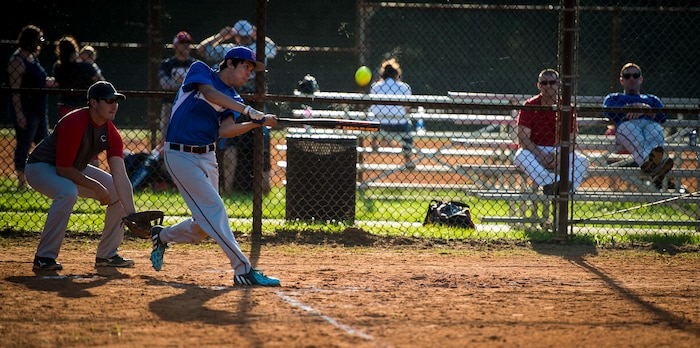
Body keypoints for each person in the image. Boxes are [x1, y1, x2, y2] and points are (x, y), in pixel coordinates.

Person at [149, 46, 280, 286]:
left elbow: (225, 130)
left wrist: (254, 123)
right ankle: (243, 268)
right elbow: (209, 94)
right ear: (230, 63)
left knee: (202, 226)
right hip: (179, 154)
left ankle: (162, 235)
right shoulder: (201, 71)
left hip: (208, 156)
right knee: (215, 209)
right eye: (246, 67)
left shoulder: (235, 99)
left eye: (252, 70)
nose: (249, 74)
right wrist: (250, 111)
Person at [24, 81, 136, 270]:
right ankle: (44, 257)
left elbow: (120, 175)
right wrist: (96, 187)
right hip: (40, 167)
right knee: (67, 191)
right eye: (109, 100)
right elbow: (63, 169)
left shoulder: (111, 133)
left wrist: (133, 215)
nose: (114, 105)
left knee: (116, 191)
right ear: (93, 102)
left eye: (116, 101)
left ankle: (107, 255)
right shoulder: (75, 121)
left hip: (73, 168)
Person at [197, 20, 278, 194]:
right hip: (233, 99)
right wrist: (223, 36)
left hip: (253, 101)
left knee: (258, 142)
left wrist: (222, 36)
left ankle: (260, 188)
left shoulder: (245, 49)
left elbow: (203, 49)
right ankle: (230, 189)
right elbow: (201, 51)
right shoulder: (233, 51)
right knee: (232, 144)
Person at [513, 69, 589, 195]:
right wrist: (541, 155)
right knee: (520, 156)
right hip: (535, 150)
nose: (548, 86)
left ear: (558, 84)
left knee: (582, 161)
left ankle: (564, 191)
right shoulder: (530, 105)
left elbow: (571, 139)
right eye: (544, 83)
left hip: (559, 149)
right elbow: (523, 139)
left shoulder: (566, 107)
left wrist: (559, 155)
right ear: (539, 86)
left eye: (552, 82)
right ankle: (555, 184)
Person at [603, 62, 672, 189]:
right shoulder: (615, 98)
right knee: (636, 138)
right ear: (621, 80)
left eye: (635, 75)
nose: (631, 79)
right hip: (627, 125)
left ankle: (651, 168)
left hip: (650, 124)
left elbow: (663, 117)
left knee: (656, 131)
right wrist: (629, 107)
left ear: (641, 79)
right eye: (627, 76)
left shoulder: (651, 99)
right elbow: (607, 112)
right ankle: (657, 168)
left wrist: (648, 110)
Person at [7, 24, 56, 190]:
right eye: (38, 39)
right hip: (27, 110)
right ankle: (22, 181)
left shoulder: (32, 58)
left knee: (45, 143)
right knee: (24, 144)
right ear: (30, 40)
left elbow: (37, 80)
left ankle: (44, 179)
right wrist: (19, 113)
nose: (40, 43)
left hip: (40, 109)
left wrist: (48, 82)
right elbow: (15, 91)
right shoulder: (17, 60)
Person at [368, 57, 413, 166]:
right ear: (397, 74)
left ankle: (374, 143)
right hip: (399, 124)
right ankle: (407, 159)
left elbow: (373, 105)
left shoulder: (375, 87)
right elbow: (407, 108)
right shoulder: (404, 87)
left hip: (378, 125)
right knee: (408, 126)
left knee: (373, 117)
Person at [157, 31, 195, 147]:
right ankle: (164, 164)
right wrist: (187, 84)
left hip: (189, 106)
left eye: (187, 43)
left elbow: (199, 85)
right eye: (182, 43)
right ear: (175, 45)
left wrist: (177, 83)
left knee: (189, 140)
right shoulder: (167, 64)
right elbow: (165, 84)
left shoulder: (194, 64)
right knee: (166, 140)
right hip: (170, 105)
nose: (185, 46)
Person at [52, 35, 103, 117]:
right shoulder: (87, 67)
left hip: (65, 105)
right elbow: (101, 81)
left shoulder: (58, 67)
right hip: (84, 106)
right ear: (75, 51)